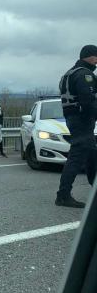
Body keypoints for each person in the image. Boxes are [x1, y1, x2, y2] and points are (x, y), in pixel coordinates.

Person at [55, 45, 97, 208]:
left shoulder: (70, 73)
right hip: (82, 120)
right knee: (76, 156)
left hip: (73, 118)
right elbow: (88, 102)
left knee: (92, 155)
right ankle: (63, 195)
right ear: (90, 56)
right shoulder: (84, 74)